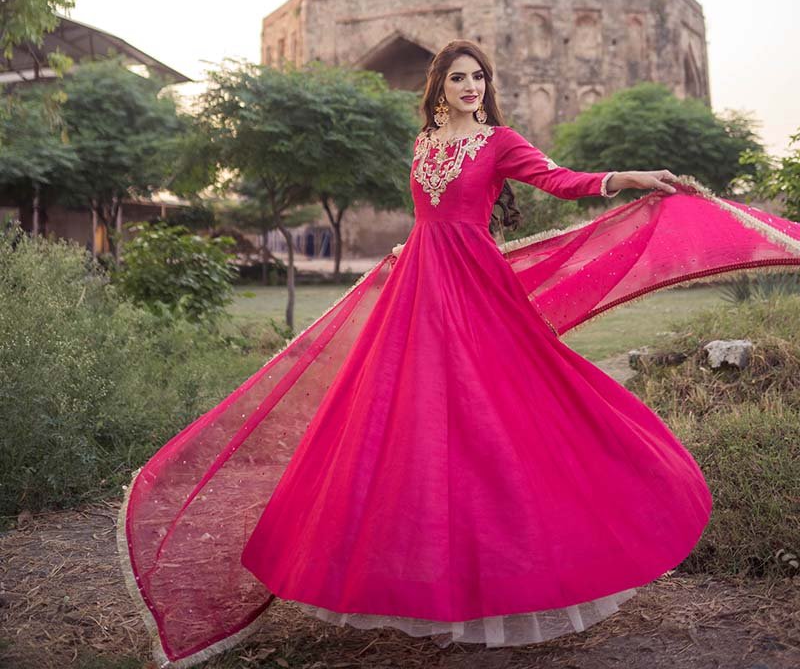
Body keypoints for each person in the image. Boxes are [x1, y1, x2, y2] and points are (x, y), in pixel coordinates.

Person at [118, 40, 800, 667]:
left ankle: (537, 552)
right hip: (418, 284)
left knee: (497, 410)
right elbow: (427, 219)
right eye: (460, 77)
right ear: (438, 86)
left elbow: (559, 180)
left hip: (475, 288)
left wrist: (627, 177)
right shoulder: (422, 142)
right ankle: (412, 569)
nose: (472, 86)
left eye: (480, 77)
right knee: (403, 420)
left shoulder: (499, 141)